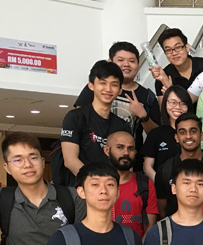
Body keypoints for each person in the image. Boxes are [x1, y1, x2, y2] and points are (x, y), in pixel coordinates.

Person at [73, 42, 161, 172]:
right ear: (110, 62)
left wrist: (143, 116)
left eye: (132, 61)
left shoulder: (147, 96)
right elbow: (80, 119)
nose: (126, 64)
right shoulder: (96, 88)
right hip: (91, 157)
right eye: (120, 60)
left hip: (127, 164)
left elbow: (156, 135)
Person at [59, 60, 131, 186]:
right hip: (79, 192)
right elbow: (70, 160)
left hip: (110, 192)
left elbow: (125, 164)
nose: (108, 89)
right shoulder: (75, 117)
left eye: (114, 84)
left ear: (120, 90)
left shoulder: (122, 126)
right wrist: (96, 184)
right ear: (91, 86)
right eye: (102, 83)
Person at [155, 113, 203, 217]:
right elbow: (162, 207)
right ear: (176, 137)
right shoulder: (165, 169)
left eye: (193, 131)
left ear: (201, 135)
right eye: (182, 132)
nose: (188, 136)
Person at [105, 131, 158, 239]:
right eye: (120, 147)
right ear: (107, 150)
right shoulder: (96, 184)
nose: (126, 153)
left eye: (130, 149)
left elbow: (150, 227)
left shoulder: (145, 184)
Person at [141, 85, 193, 180]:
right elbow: (147, 167)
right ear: (165, 104)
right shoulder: (156, 134)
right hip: (162, 190)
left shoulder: (194, 133)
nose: (178, 107)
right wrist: (160, 182)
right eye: (172, 102)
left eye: (183, 103)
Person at [150, 28, 203, 101]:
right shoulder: (164, 77)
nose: (174, 53)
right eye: (168, 50)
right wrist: (169, 92)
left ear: (187, 47)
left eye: (178, 47)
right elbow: (163, 111)